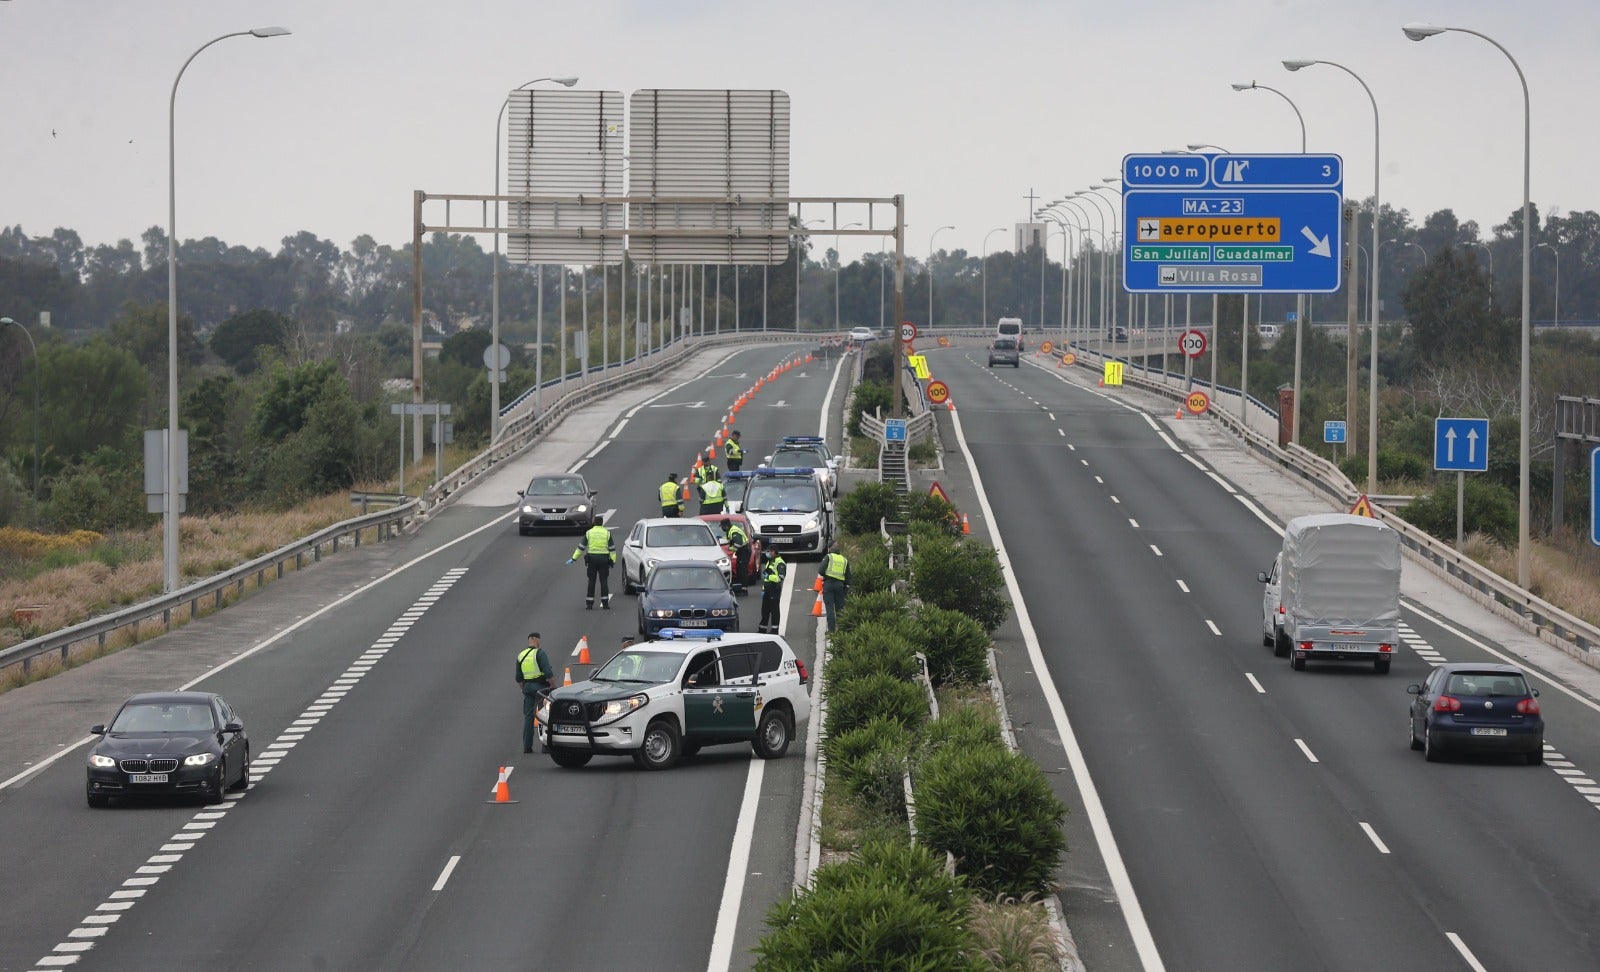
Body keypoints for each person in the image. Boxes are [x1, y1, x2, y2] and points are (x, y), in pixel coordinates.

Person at [516, 632, 554, 754]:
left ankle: (527, 747)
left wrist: (524, 688)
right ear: (537, 640)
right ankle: (545, 745)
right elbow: (548, 673)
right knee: (544, 716)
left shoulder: (521, 655)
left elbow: (518, 678)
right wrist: (553, 686)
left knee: (528, 717)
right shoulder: (540, 653)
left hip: (527, 688)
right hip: (541, 690)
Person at [569, 514, 616, 609]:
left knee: (591, 581)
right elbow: (612, 549)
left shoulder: (589, 533)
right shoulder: (607, 533)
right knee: (603, 581)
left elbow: (581, 548)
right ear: (602, 523)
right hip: (604, 559)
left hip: (592, 560)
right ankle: (605, 603)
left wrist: (574, 558)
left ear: (594, 523)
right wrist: (612, 561)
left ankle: (589, 604)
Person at [820, 541, 850, 633]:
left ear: (829, 549)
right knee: (840, 609)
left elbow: (821, 570)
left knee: (829, 608)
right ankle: (841, 630)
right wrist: (846, 587)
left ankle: (831, 631)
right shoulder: (844, 560)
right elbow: (848, 576)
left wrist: (827, 575)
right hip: (840, 586)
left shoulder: (828, 557)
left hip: (829, 584)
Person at [757, 548, 787, 634]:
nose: (768, 553)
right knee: (765, 610)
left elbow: (780, 577)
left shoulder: (780, 562)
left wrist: (768, 577)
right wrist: (763, 589)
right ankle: (762, 628)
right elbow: (765, 579)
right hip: (767, 589)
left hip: (774, 589)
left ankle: (775, 629)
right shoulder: (770, 561)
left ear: (774, 552)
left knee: (774, 610)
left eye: (769, 551)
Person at [720, 517, 751, 593]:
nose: (722, 528)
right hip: (742, 552)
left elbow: (738, 543)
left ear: (726, 526)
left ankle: (744, 588)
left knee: (742, 570)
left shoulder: (734, 531)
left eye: (722, 527)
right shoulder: (730, 530)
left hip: (744, 551)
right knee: (739, 569)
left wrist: (731, 549)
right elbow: (729, 540)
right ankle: (740, 586)